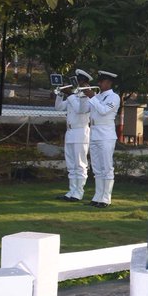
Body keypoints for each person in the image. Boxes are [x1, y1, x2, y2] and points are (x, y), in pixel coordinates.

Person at [55, 68, 93, 202]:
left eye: (80, 81)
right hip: (70, 132)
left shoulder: (86, 97)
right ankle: (71, 191)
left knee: (80, 164)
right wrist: (60, 94)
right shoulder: (75, 96)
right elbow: (58, 107)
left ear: (85, 83)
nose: (77, 83)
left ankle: (79, 192)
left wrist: (69, 95)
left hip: (81, 132)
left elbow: (80, 109)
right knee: (71, 165)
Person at [85, 70, 121, 208]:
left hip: (106, 135)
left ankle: (106, 198)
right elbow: (83, 110)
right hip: (94, 133)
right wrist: (82, 97)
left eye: (102, 81)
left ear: (108, 83)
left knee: (106, 167)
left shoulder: (114, 97)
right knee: (97, 168)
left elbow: (104, 111)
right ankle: (97, 196)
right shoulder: (97, 96)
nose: (99, 84)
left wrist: (92, 97)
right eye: (99, 81)